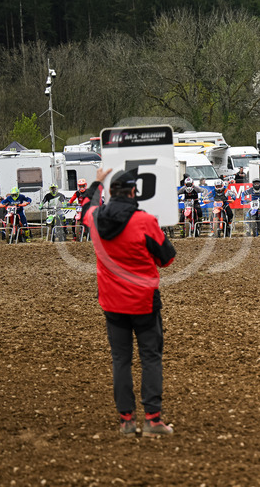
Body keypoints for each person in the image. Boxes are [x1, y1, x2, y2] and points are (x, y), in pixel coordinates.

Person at [81, 168, 176, 437]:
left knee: (120, 360)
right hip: (143, 302)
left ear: (110, 193)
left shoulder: (95, 217)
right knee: (150, 358)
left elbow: (86, 205)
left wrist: (98, 180)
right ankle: (153, 420)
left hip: (112, 303)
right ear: (134, 192)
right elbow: (167, 258)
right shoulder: (144, 221)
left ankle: (126, 421)